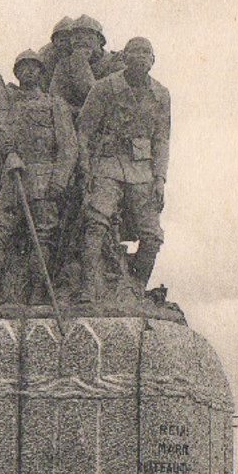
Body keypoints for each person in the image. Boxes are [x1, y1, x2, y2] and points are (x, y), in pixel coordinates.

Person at [0, 50, 77, 306]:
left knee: (43, 236)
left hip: (44, 176)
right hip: (14, 178)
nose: (28, 72)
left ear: (42, 73)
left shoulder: (55, 105)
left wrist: (59, 179)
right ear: (16, 73)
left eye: (34, 68)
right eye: (22, 68)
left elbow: (68, 146)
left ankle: (39, 291)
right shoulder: (8, 105)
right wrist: (8, 153)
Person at [76, 37, 171, 302]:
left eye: (146, 53)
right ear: (124, 57)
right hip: (107, 163)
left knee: (152, 235)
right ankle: (86, 288)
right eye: (135, 52)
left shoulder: (161, 94)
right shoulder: (105, 88)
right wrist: (86, 170)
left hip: (142, 169)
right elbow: (83, 131)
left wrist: (160, 178)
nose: (141, 57)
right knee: (96, 223)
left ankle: (137, 288)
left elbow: (162, 139)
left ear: (153, 60)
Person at [49, 15, 124, 115]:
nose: (80, 41)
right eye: (76, 37)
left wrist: (81, 64)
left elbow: (101, 100)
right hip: (72, 118)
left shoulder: (115, 62)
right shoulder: (64, 64)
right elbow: (56, 98)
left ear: (100, 40)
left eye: (87, 36)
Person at [37, 15, 73, 89]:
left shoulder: (81, 51)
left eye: (66, 36)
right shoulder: (45, 54)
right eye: (59, 37)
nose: (62, 40)